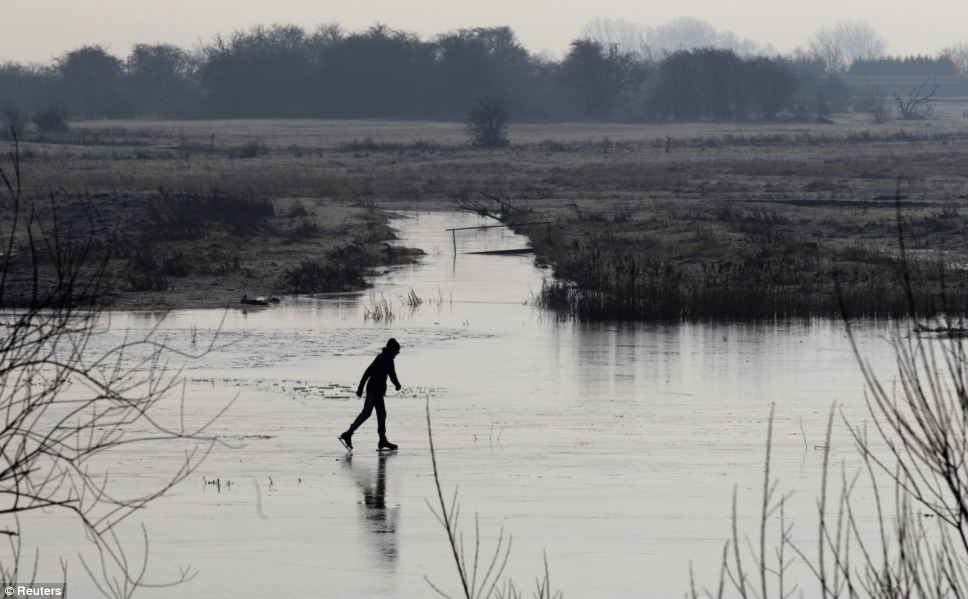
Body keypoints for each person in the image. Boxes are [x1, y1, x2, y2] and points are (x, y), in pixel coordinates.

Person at [339, 338, 402, 451]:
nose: (398, 353)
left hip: (377, 392)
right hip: (374, 390)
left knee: (381, 414)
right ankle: (348, 433)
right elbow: (374, 373)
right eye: (397, 351)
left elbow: (371, 373)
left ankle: (382, 440)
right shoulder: (385, 359)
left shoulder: (383, 357)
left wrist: (361, 388)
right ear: (392, 350)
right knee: (366, 413)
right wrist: (397, 385)